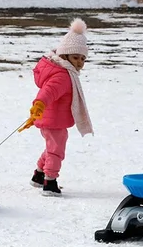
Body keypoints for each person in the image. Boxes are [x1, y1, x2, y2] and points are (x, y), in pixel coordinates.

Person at [22, 19, 94, 196]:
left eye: (82, 59)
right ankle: (50, 182)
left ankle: (39, 175)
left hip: (53, 119)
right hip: (52, 120)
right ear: (64, 56)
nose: (79, 62)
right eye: (75, 57)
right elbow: (48, 92)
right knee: (56, 150)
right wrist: (38, 105)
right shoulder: (62, 76)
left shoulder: (65, 72)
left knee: (52, 147)